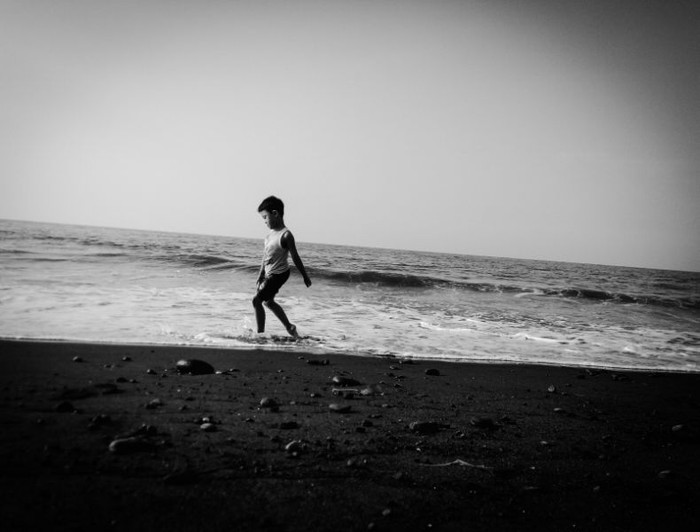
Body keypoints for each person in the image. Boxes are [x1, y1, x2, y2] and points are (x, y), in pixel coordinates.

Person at [252, 196, 312, 336]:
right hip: (269, 274)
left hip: (279, 274)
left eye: (265, 217)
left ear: (275, 213)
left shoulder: (286, 235)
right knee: (268, 302)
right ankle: (290, 327)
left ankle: (260, 334)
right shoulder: (269, 236)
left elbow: (295, 257)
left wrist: (305, 275)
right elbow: (265, 257)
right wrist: (261, 275)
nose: (265, 221)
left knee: (256, 301)